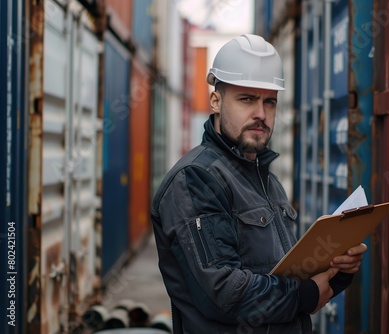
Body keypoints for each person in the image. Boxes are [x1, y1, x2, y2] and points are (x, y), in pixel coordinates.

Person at [151, 34, 367, 334]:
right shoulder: (195, 180)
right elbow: (225, 294)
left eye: (270, 102)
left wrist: (336, 271)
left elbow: (285, 272)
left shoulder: (268, 182)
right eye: (247, 99)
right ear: (215, 100)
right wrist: (305, 295)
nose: (261, 115)